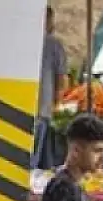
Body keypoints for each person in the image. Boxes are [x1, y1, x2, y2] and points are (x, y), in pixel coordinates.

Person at [33, 7, 68, 169]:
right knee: (33, 156)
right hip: (42, 106)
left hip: (20, 103)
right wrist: (57, 103)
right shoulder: (54, 44)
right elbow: (62, 78)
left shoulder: (20, 40)